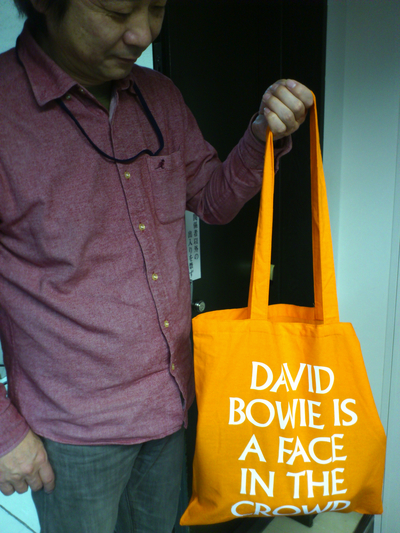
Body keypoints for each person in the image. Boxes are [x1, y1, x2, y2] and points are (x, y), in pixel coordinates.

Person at [0, 0, 313, 531]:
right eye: (118, 12)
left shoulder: (160, 96)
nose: (142, 33)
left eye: (157, 9)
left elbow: (213, 200)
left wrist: (262, 136)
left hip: (170, 404)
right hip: (72, 433)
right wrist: (5, 434)